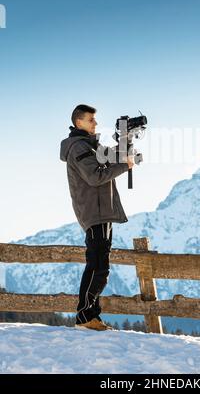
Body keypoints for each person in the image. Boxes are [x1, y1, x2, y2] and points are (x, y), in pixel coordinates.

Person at [60, 104, 134, 331]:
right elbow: (95, 176)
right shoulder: (78, 147)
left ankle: (91, 316)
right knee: (98, 267)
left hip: (102, 210)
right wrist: (124, 165)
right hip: (95, 211)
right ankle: (84, 317)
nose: (95, 123)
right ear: (79, 122)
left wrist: (125, 137)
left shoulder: (91, 146)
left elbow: (116, 156)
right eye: (91, 120)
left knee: (99, 265)